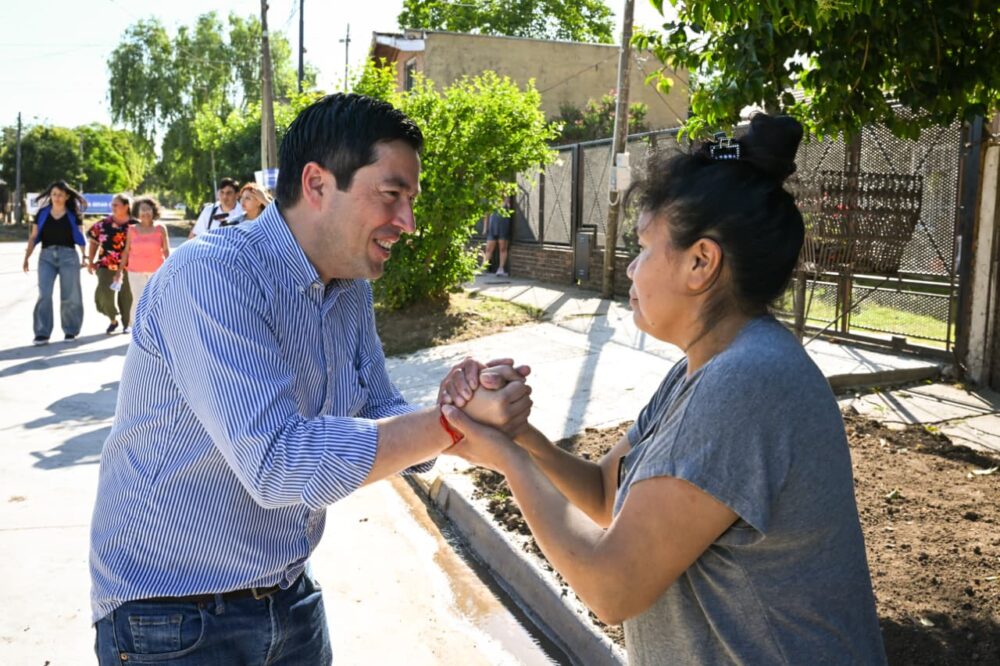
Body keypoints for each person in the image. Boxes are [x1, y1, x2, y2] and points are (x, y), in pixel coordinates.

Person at [90, 92, 532, 665]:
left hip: (290, 598)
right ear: (318, 184)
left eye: (411, 201)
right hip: (170, 620)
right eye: (392, 195)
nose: (408, 222)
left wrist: (459, 403)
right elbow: (277, 464)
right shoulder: (213, 278)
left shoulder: (347, 288)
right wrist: (447, 426)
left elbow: (390, 421)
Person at [441, 114, 887, 664]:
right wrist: (524, 437)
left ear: (701, 262)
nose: (631, 270)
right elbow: (608, 496)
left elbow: (612, 587)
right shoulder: (704, 368)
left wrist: (507, 460)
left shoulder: (746, 383)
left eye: (644, 248)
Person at [22, 180, 87, 344]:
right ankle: (42, 333)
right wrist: (27, 257)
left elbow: (80, 236)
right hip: (46, 257)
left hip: (69, 256)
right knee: (44, 294)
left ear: (66, 196)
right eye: (54, 194)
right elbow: (33, 237)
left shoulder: (73, 214)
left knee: (70, 295)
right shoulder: (42, 213)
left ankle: (70, 331)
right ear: (50, 196)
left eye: (60, 195)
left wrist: (85, 256)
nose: (57, 198)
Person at [118, 196, 170, 327]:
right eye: (143, 209)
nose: (146, 213)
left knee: (156, 301)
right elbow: (126, 251)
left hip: (157, 272)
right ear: (137, 212)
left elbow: (166, 250)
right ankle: (137, 329)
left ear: (154, 211)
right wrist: (119, 271)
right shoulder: (132, 230)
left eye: (148, 209)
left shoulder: (160, 229)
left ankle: (156, 328)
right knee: (138, 300)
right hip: (135, 272)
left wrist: (170, 269)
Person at [87, 193, 135, 334]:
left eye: (116, 205)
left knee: (127, 296)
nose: (112, 207)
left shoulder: (135, 225)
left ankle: (127, 324)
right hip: (105, 264)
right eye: (112, 204)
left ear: (126, 207)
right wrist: (90, 261)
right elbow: (94, 242)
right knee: (103, 294)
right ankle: (113, 319)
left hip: (129, 266)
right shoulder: (103, 224)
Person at [483, 195, 513, 276]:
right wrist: (485, 228)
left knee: (502, 248)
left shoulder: (507, 201)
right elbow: (486, 214)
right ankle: (483, 268)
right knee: (488, 248)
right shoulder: (492, 201)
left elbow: (510, 210)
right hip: (492, 228)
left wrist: (506, 200)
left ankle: (501, 269)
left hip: (503, 227)